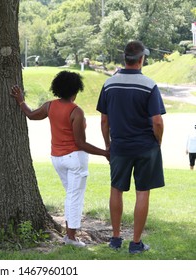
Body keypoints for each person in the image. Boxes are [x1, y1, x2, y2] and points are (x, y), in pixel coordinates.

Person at [11, 70, 109, 247]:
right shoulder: (76, 111)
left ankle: (70, 233)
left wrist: (20, 100)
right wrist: (105, 153)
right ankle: (71, 237)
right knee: (74, 197)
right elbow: (80, 143)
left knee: (71, 195)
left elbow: (31, 115)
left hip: (57, 158)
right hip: (75, 159)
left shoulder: (50, 106)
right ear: (75, 90)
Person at [96, 40, 166, 254]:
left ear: (124, 59)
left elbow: (104, 121)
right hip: (145, 147)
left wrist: (108, 145)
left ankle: (115, 239)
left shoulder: (109, 84)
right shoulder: (149, 85)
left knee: (116, 189)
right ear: (141, 59)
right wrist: (158, 143)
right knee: (142, 191)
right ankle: (136, 243)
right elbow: (157, 122)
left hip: (120, 147)